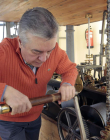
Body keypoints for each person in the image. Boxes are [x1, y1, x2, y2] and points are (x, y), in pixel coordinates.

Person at [0, 7, 78, 140]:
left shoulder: (55, 52)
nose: (44, 58)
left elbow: (70, 69)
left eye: (49, 51)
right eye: (36, 52)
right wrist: (4, 90)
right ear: (20, 42)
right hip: (8, 122)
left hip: (35, 118)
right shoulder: (4, 51)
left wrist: (67, 83)